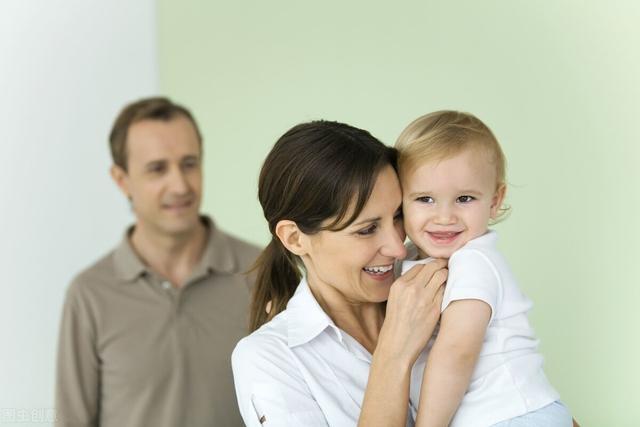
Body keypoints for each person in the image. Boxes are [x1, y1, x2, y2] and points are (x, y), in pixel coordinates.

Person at [55, 97, 261, 427]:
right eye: (157, 169)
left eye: (189, 163)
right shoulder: (89, 295)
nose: (179, 185)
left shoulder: (260, 272)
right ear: (122, 180)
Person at [232, 120, 448, 426]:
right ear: (295, 238)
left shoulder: (435, 286)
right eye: (367, 229)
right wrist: (394, 354)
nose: (398, 247)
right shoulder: (269, 359)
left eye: (398, 216)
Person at [396, 110, 572, 426]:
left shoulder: (474, 261)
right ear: (400, 201)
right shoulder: (410, 259)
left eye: (464, 198)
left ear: (494, 200)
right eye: (425, 199)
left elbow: (457, 351)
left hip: (514, 415)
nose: (445, 216)